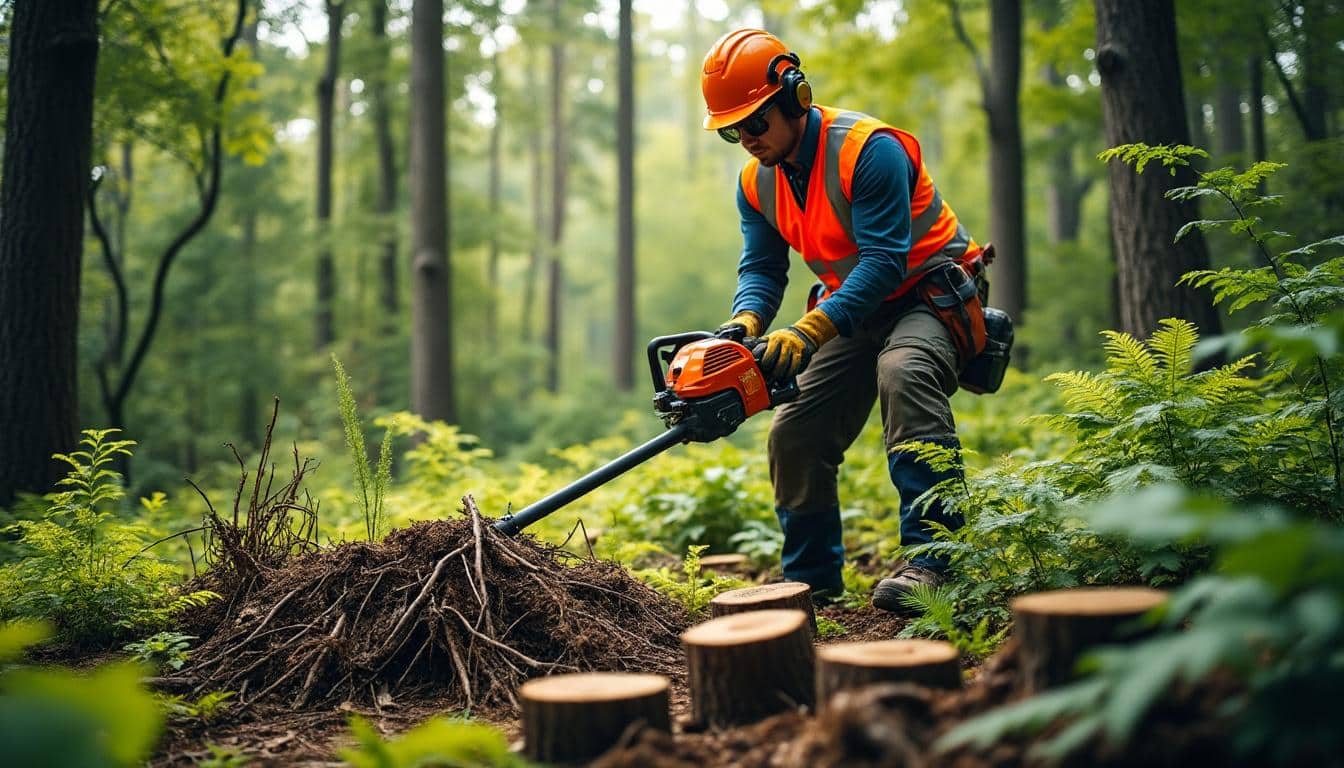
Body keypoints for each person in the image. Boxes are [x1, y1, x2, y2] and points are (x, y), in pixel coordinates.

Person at [701, 28, 988, 611]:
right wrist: (746, 324)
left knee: (903, 371)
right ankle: (811, 581)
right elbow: (761, 266)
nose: (747, 140)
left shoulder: (869, 150)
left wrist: (808, 331)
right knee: (795, 430)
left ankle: (936, 561)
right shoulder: (755, 181)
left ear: (794, 97)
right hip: (852, 307)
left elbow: (884, 262)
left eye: (755, 123)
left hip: (925, 294)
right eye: (733, 130)